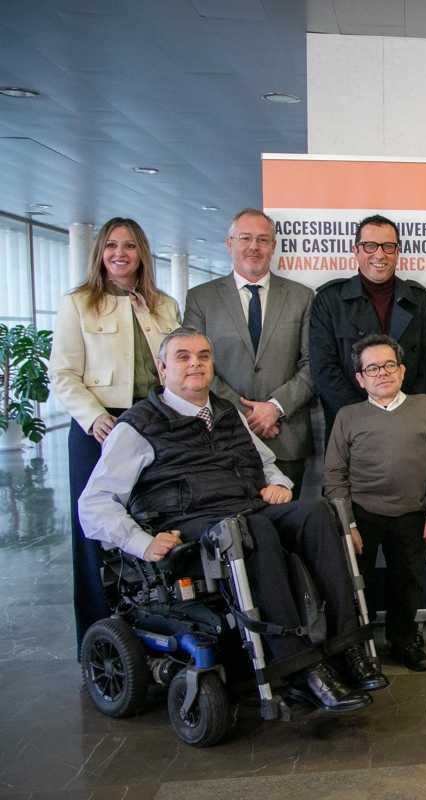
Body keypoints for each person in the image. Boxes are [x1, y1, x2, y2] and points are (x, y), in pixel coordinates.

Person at [78, 327, 386, 712]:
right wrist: (142, 542)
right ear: (162, 369)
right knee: (252, 529)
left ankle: (347, 647)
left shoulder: (226, 414)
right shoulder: (137, 426)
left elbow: (267, 464)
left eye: (203, 356)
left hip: (246, 511)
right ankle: (298, 669)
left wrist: (278, 484)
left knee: (317, 512)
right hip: (192, 525)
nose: (196, 364)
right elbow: (94, 503)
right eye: (184, 357)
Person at [49, 217, 181, 656]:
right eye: (111, 246)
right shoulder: (79, 303)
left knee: (151, 521)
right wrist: (93, 418)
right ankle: (97, 636)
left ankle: (149, 625)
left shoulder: (163, 305)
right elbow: (64, 374)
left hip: (151, 424)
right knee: (95, 530)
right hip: (99, 428)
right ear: (99, 253)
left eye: (129, 246)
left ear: (142, 252)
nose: (119, 254)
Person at [323, 334, 426, 672]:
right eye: (372, 368)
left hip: (413, 513)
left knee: (408, 584)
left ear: (402, 370)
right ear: (360, 378)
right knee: (357, 586)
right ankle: (358, 651)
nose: (382, 373)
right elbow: (334, 475)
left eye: (389, 365)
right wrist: (347, 523)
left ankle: (404, 641)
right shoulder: (347, 416)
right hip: (362, 516)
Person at [183, 209, 315, 493]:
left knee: (288, 531)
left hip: (286, 438)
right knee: (236, 532)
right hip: (223, 435)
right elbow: (195, 366)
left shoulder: (302, 297)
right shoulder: (201, 298)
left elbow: (312, 364)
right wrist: (247, 414)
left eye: (262, 239)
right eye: (245, 238)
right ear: (229, 243)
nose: (254, 247)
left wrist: (275, 408)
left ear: (273, 246)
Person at [309, 214, 426, 436]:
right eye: (370, 246)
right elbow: (324, 370)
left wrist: (401, 413)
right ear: (356, 251)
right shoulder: (330, 300)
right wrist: (367, 417)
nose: (379, 254)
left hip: (407, 425)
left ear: (397, 252)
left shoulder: (421, 301)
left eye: (388, 246)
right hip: (351, 426)